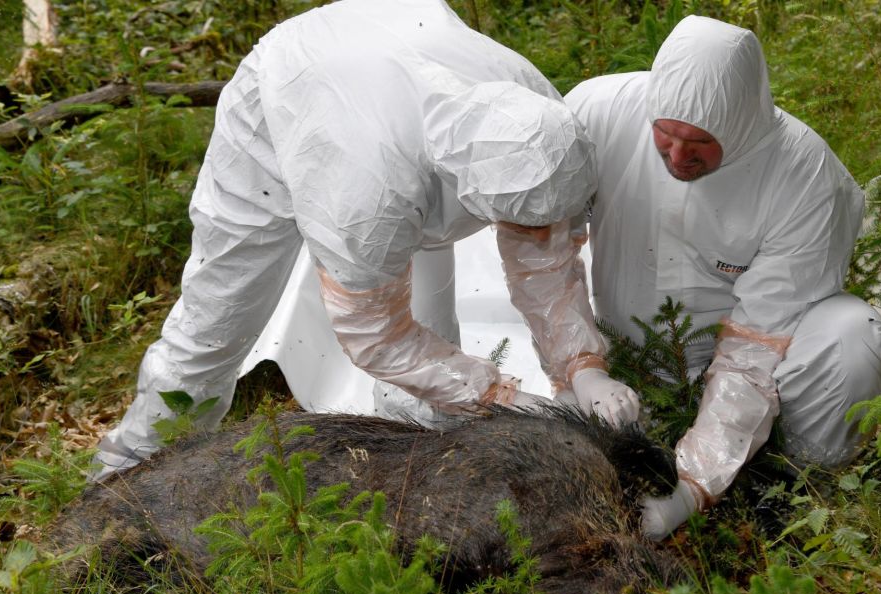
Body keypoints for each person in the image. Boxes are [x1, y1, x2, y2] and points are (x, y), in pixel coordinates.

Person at [91, 0, 639, 481]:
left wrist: (580, 370)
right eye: (516, 222)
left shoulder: (539, 117)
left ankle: (414, 453)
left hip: (396, 64)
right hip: (290, 88)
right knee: (220, 316)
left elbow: (545, 257)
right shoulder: (365, 196)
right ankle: (131, 468)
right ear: (463, 187)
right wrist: (499, 395)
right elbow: (376, 334)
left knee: (434, 327)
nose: (530, 235)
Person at [564, 16, 881, 540]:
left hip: (750, 365)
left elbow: (754, 351)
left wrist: (691, 488)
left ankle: (798, 489)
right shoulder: (597, 112)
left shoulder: (805, 177)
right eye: (665, 132)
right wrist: (582, 365)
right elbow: (546, 251)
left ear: (743, 125)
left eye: (700, 142)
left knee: (853, 340)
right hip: (616, 359)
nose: (678, 156)